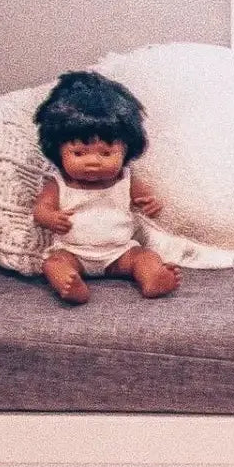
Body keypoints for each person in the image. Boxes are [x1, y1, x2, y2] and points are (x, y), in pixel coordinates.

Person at [31, 71, 180, 304]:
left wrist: (152, 205)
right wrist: (50, 217)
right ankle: (69, 285)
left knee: (146, 257)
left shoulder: (126, 179)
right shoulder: (59, 183)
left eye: (106, 153)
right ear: (58, 151)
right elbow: (41, 209)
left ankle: (152, 279)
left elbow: (147, 200)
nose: (93, 161)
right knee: (53, 263)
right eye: (79, 153)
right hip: (73, 253)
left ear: (126, 151)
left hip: (120, 253)